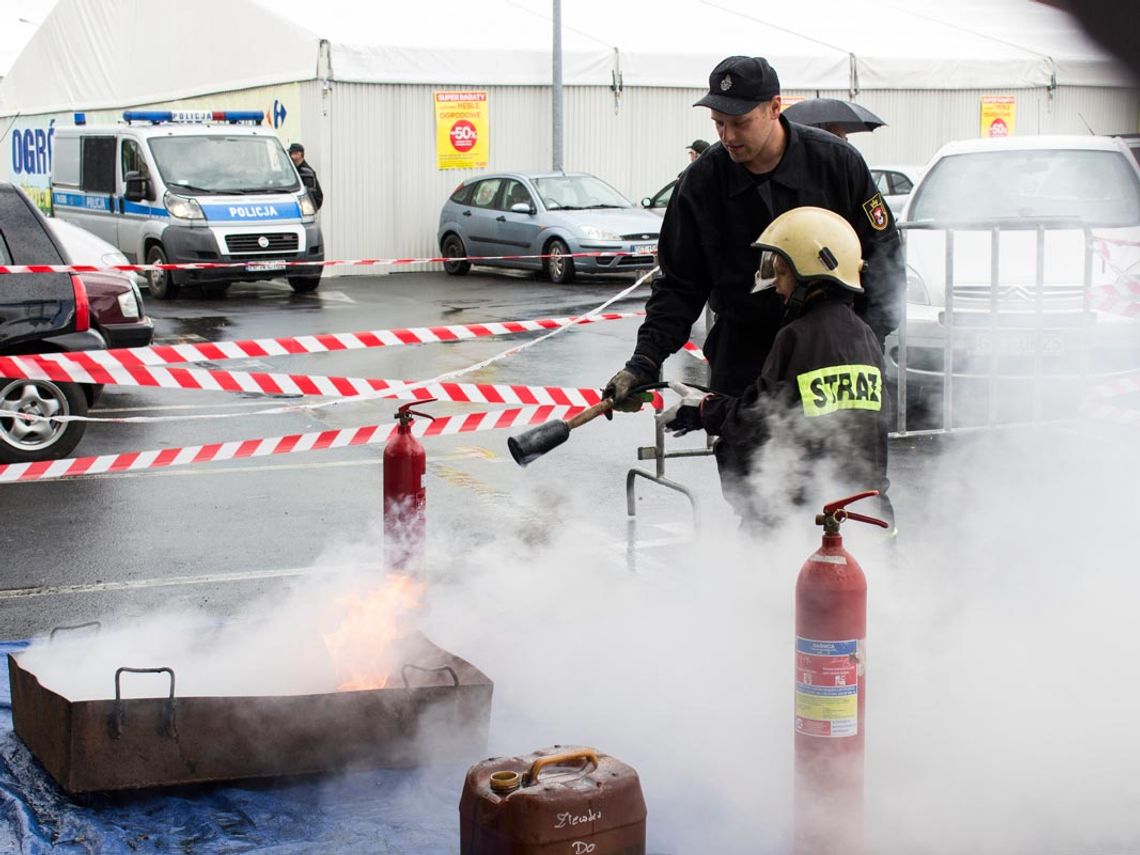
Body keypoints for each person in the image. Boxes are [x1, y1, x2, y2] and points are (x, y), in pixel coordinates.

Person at [604, 55, 904, 505]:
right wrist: (643, 363)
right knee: (756, 493)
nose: (726, 136)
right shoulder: (702, 182)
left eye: (738, 122)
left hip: (832, 351)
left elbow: (884, 257)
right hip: (745, 351)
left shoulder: (836, 164)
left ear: (774, 107)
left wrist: (867, 337)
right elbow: (679, 285)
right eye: (718, 122)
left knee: (848, 486)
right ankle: (764, 570)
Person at [656, 207, 893, 528]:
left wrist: (703, 410)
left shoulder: (797, 337)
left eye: (782, 274)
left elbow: (758, 419)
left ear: (810, 272)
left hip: (803, 519)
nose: (777, 287)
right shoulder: (864, 335)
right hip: (867, 515)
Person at [288, 142, 324, 210]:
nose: (290, 156)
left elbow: (310, 196)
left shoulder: (306, 172)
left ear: (299, 154)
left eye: (292, 153)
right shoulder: (296, 169)